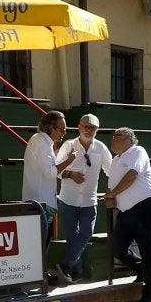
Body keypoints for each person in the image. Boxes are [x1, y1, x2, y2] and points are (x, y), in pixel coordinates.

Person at [104, 127, 151, 302]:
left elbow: (131, 176)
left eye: (116, 136)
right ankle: (140, 270)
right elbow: (112, 186)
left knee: (147, 251)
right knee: (118, 250)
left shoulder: (137, 151)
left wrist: (112, 194)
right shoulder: (115, 160)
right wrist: (111, 198)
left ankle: (149, 295)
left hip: (144, 207)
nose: (112, 139)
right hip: (125, 211)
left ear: (128, 138)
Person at [56, 114, 110, 282]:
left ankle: (66, 264)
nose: (88, 130)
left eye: (92, 127)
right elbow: (56, 171)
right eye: (86, 126)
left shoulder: (100, 148)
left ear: (97, 130)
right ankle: (76, 271)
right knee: (73, 236)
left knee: (86, 233)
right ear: (79, 127)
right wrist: (71, 174)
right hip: (68, 199)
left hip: (89, 200)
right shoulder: (69, 145)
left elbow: (111, 170)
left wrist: (113, 189)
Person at [22, 112, 68, 282]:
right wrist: (69, 160)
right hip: (40, 200)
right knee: (41, 241)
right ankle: (38, 275)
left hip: (42, 199)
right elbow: (49, 173)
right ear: (49, 127)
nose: (63, 133)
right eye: (60, 129)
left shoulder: (43, 142)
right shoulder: (41, 142)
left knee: (43, 240)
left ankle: (39, 274)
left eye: (65, 129)